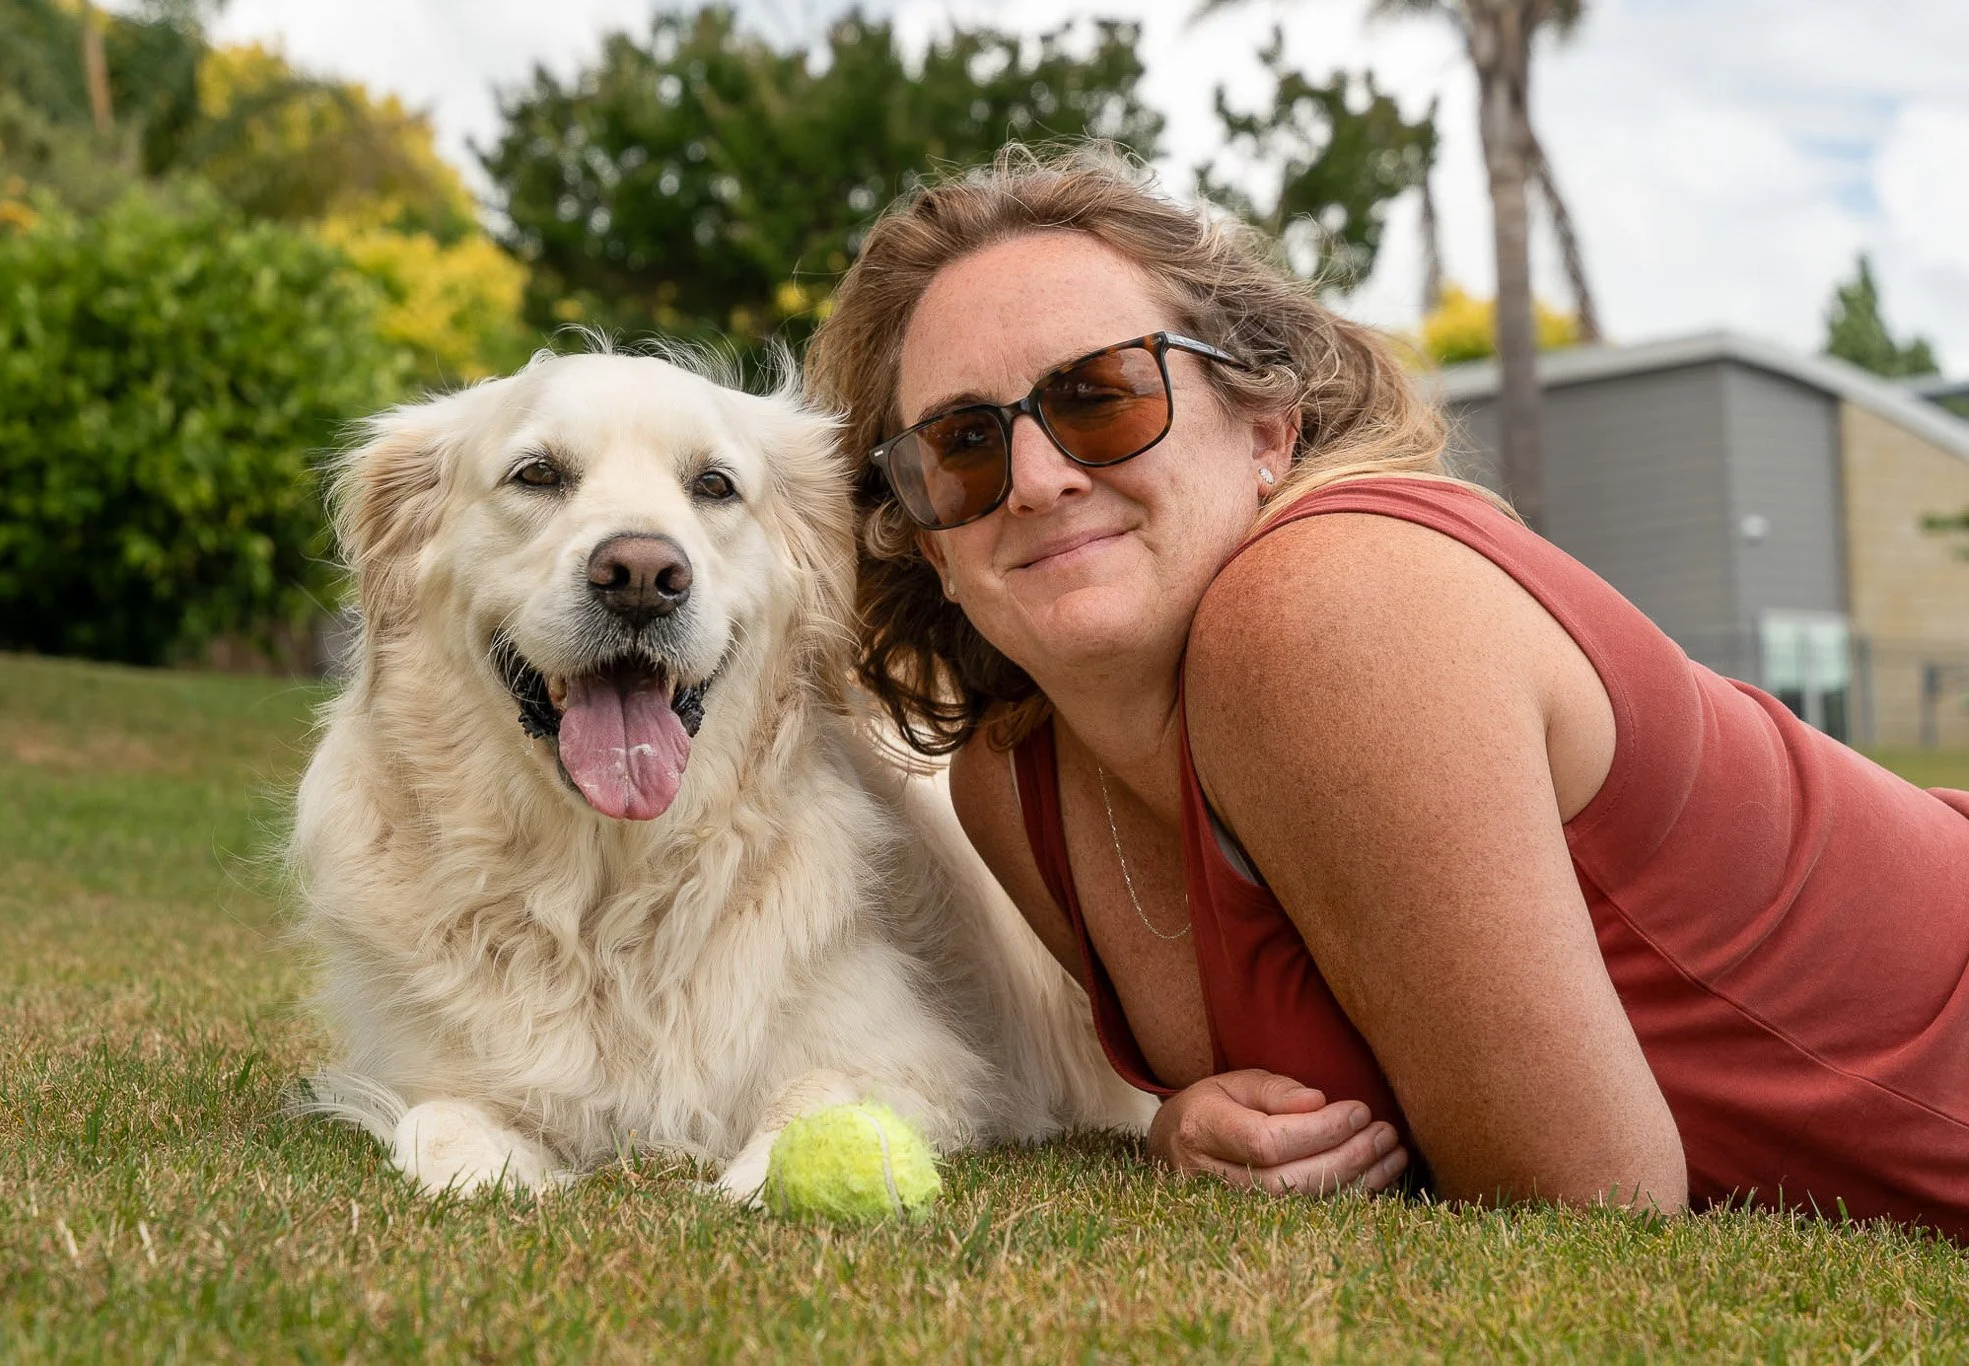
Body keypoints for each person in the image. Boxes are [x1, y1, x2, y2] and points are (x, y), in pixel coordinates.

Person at [802, 144, 1969, 1237]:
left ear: (1264, 431)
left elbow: (1590, 1203)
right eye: (961, 444)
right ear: (926, 539)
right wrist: (1183, 1123)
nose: (1036, 479)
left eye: (1100, 395)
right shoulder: (1011, 785)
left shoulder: (1328, 604)